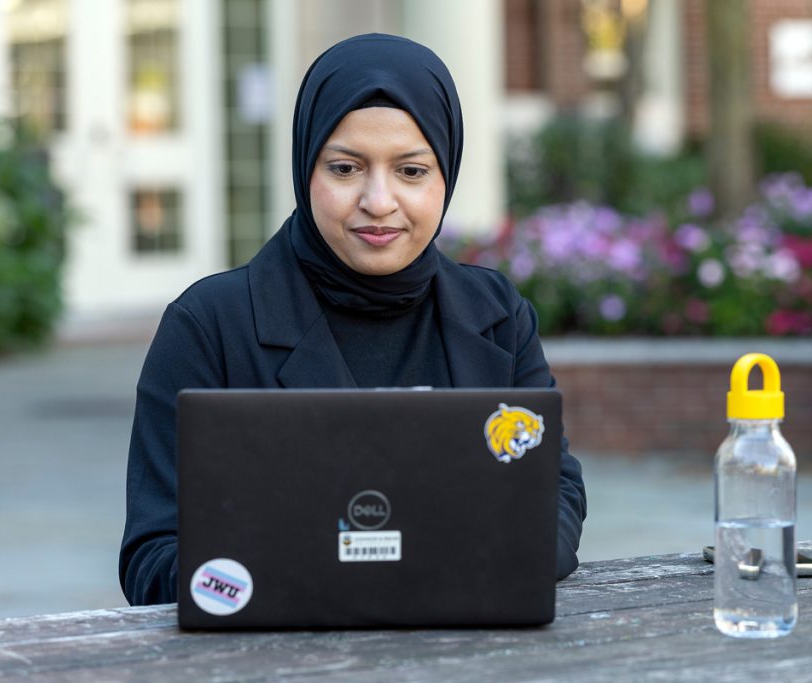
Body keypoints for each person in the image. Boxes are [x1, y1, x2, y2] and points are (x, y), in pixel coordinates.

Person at [118, 33, 587, 606]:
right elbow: (153, 556)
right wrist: (291, 576)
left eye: (412, 171)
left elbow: (553, 493)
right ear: (304, 167)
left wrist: (516, 555)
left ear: (448, 175)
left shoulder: (497, 314)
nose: (378, 200)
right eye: (345, 168)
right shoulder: (208, 325)